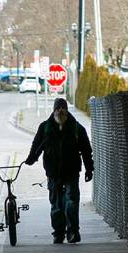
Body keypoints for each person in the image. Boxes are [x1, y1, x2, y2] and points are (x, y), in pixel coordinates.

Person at [25, 97, 93, 244]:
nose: (60, 110)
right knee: (56, 205)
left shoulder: (76, 128)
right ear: (54, 110)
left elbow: (86, 150)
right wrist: (31, 159)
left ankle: (73, 232)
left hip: (71, 171)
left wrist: (89, 169)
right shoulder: (45, 127)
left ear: (67, 110)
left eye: (63, 108)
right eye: (58, 108)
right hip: (53, 172)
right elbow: (36, 145)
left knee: (71, 202)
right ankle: (58, 233)